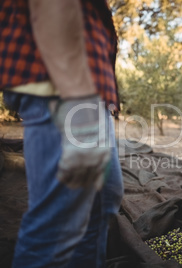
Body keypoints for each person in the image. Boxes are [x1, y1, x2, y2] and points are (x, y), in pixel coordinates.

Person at [0, 0, 124, 267]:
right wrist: (78, 100)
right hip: (59, 83)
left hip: (83, 89)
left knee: (103, 197)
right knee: (59, 221)